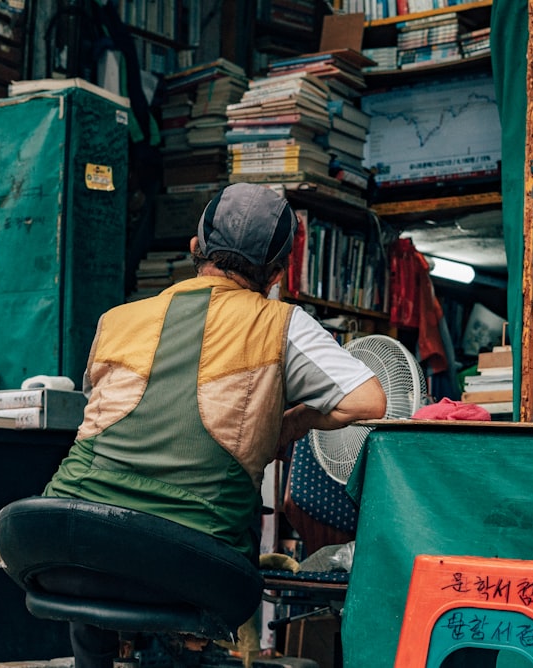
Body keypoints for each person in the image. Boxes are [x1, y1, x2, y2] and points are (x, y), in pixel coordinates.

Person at [41, 182, 387, 667]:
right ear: (277, 273)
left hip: (62, 546)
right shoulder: (281, 322)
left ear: (194, 248)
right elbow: (370, 401)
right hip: (188, 568)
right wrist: (291, 423)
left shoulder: (117, 319)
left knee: (98, 517)